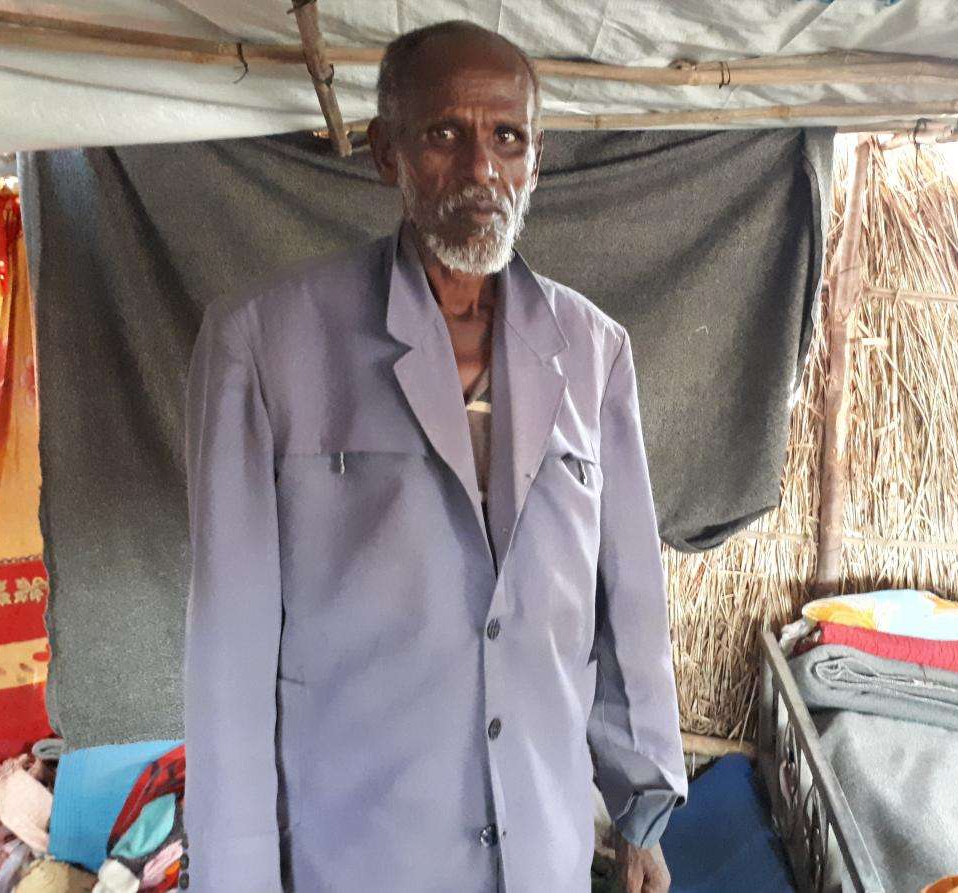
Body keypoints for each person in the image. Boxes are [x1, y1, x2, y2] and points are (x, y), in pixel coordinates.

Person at [183, 19, 686, 892]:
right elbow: (227, 651)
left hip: (541, 850)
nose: (481, 170)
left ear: (536, 157)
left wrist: (641, 813)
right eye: (445, 135)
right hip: (361, 848)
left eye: (508, 138)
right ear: (387, 153)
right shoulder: (264, 344)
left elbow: (628, 602)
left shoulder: (592, 350)